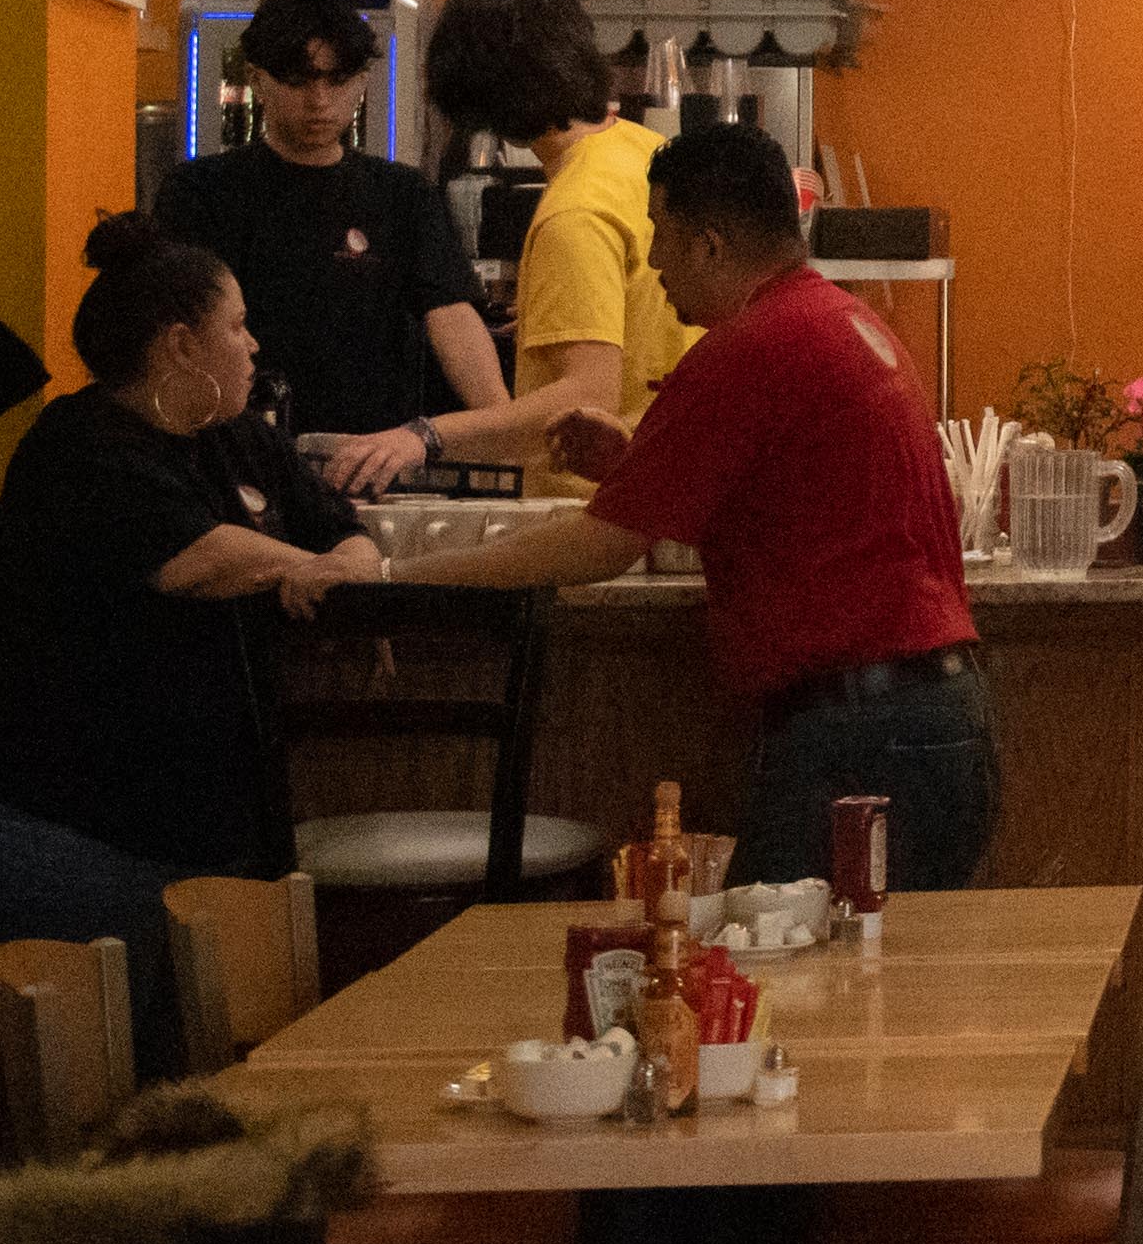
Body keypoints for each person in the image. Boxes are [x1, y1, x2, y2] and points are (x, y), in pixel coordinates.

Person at [406, 120, 995, 891]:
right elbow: (785, 491)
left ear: (710, 244)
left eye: (660, 234)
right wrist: (634, 463)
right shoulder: (835, 318)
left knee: (800, 986)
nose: (651, 263)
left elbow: (599, 547)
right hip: (934, 717)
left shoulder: (747, 348)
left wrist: (413, 572)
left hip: (857, 734)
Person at [0, 217, 382, 1072]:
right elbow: (198, 559)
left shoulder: (236, 436)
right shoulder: (77, 446)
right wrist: (314, 568)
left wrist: (347, 564)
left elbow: (345, 529)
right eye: (236, 325)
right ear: (180, 344)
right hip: (50, 833)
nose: (253, 343)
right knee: (120, 1103)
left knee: (211, 1084)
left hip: (181, 839)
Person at [145, 0, 505, 481]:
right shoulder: (202, 191)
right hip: (235, 458)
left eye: (336, 81)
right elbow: (175, 337)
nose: (319, 101)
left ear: (361, 83)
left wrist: (502, 428)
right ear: (258, 79)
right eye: (298, 81)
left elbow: (452, 319)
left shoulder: (402, 194)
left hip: (373, 460)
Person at [406, 0, 686, 479]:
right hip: (672, 481)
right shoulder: (650, 153)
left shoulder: (574, 211)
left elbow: (587, 396)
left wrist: (425, 436)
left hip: (592, 505)